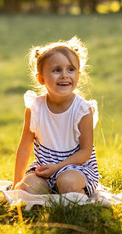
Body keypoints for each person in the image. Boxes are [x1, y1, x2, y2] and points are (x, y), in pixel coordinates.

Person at [13, 36, 99, 196]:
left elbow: (85, 152)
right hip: (45, 169)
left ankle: (75, 193)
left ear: (78, 76)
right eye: (56, 70)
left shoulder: (83, 110)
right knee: (25, 189)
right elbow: (25, 147)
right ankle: (51, 190)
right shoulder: (35, 108)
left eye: (70, 69)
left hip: (77, 168)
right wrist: (16, 183)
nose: (64, 75)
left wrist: (58, 167)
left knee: (67, 184)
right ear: (41, 78)